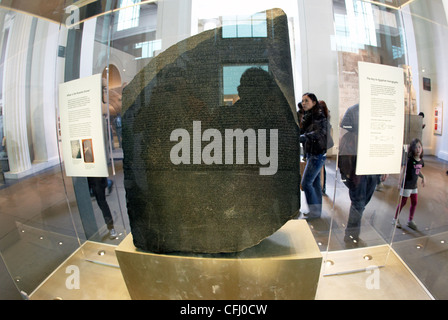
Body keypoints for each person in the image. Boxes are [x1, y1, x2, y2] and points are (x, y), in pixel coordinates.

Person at [339, 104, 387, 247]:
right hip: (357, 165)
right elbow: (345, 133)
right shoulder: (353, 111)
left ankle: (352, 234)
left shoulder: (378, 111)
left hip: (372, 164)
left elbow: (382, 139)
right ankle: (351, 236)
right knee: (359, 203)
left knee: (362, 203)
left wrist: (384, 166)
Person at [299, 93, 328, 220]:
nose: (304, 103)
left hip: (317, 154)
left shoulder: (318, 116)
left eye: (307, 101)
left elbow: (318, 133)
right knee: (315, 184)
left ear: (314, 102)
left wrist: (302, 138)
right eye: (303, 101)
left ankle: (314, 213)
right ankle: (317, 212)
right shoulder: (309, 116)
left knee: (306, 183)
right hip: (313, 153)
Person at [393, 138, 425, 230]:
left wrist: (423, 177)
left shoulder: (421, 161)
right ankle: (395, 219)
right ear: (412, 149)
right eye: (416, 147)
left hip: (414, 186)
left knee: (414, 202)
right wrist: (399, 183)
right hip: (407, 185)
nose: (418, 149)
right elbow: (403, 170)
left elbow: (417, 171)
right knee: (403, 202)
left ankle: (410, 220)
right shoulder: (409, 160)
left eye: (419, 147)